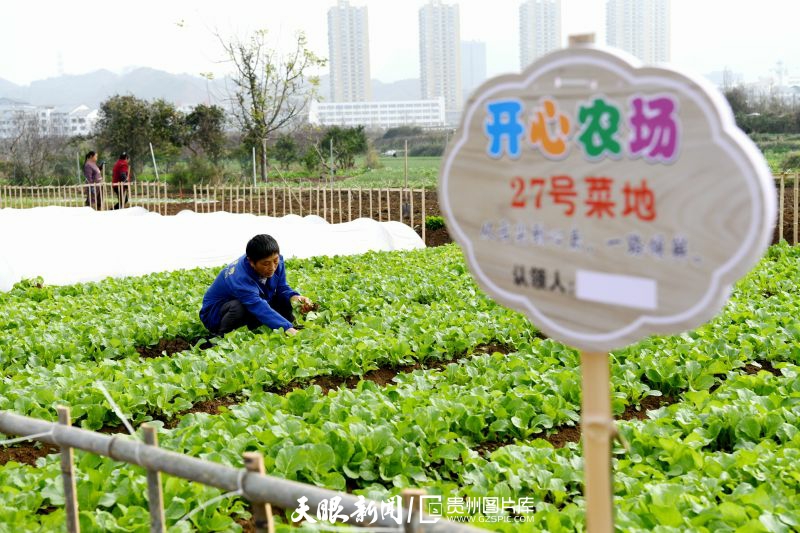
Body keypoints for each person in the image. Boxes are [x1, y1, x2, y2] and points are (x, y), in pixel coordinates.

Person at [199, 234, 314, 336]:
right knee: (238, 307)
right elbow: (257, 305)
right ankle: (222, 337)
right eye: (266, 264)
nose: (272, 268)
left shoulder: (277, 261)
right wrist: (286, 328)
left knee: (282, 299)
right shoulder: (240, 277)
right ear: (251, 262)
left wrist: (296, 299)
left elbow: (282, 288)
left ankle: (289, 324)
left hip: (249, 304)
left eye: (275, 261)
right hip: (216, 315)